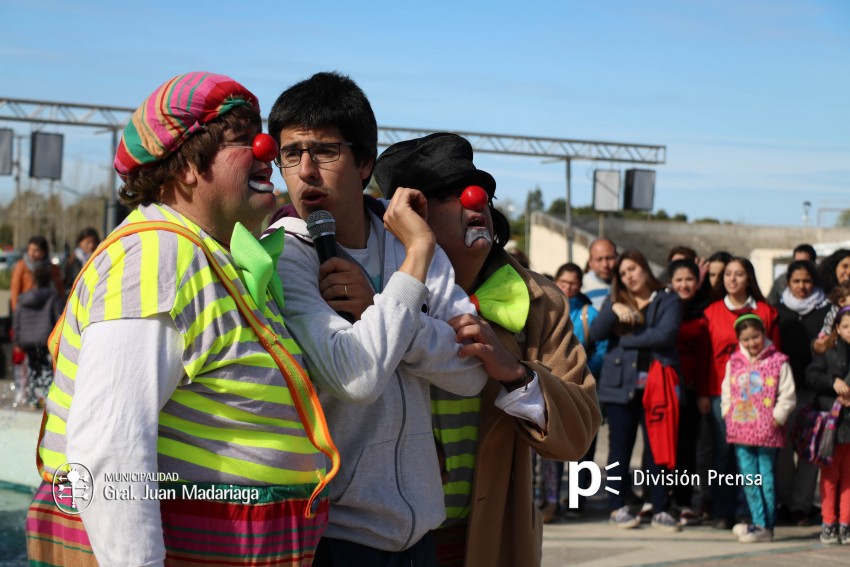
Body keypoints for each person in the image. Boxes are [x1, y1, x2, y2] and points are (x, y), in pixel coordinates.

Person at [26, 72, 339, 566]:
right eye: (243, 138)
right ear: (188, 166)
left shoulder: (206, 256)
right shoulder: (156, 257)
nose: (267, 151)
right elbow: (108, 446)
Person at [266, 75, 488, 566]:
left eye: (325, 151)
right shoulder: (285, 255)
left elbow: (472, 373)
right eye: (291, 154)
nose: (305, 172)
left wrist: (377, 307)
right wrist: (417, 260)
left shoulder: (404, 232)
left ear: (366, 162)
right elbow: (358, 377)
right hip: (334, 538)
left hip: (419, 536)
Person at [372, 132, 601, 566]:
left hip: (487, 542)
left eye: (479, 191)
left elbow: (579, 433)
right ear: (407, 217)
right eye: (448, 194)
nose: (474, 201)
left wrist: (516, 374)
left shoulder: (540, 302)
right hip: (380, 539)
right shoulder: (366, 289)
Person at [589, 249, 683, 532]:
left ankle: (660, 508)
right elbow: (596, 333)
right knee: (619, 450)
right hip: (620, 385)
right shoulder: (615, 300)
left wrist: (626, 340)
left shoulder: (668, 299)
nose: (628, 276)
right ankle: (616, 507)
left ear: (644, 267)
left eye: (632, 269)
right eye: (623, 273)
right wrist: (613, 310)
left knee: (658, 450)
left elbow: (665, 334)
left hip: (657, 387)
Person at [702, 256, 781, 529]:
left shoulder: (767, 312)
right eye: (728, 274)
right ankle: (722, 510)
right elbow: (705, 356)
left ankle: (751, 511)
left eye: (739, 274)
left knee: (755, 456)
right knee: (724, 452)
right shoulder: (711, 312)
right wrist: (703, 393)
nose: (732, 279)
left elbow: (776, 354)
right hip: (721, 393)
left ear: (749, 278)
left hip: (760, 396)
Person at [721, 314, 796, 543]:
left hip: (767, 430)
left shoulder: (778, 361)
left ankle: (766, 525)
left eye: (756, 337)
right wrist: (727, 411)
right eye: (746, 339)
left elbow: (787, 394)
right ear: (739, 340)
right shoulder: (734, 362)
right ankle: (757, 520)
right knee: (749, 479)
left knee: (765, 477)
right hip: (741, 429)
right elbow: (726, 390)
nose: (752, 342)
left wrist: (778, 416)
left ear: (764, 334)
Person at [774, 260, 830, 524]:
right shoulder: (778, 311)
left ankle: (801, 506)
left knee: (810, 450)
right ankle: (785, 501)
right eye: (796, 281)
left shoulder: (826, 312)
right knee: (783, 450)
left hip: (813, 392)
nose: (801, 286)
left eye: (806, 281)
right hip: (783, 391)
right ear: (788, 282)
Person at [553, 261, 607, 517]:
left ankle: (576, 501)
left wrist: (583, 371)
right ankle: (550, 499)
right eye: (563, 282)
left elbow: (602, 348)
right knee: (551, 446)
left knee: (582, 447)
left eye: (574, 284)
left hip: (582, 388)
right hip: (551, 386)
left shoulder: (588, 314)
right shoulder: (545, 307)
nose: (568, 288)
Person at [668, 258, 711, 525]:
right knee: (661, 446)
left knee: (687, 448)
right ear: (670, 282)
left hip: (694, 388)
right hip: (666, 388)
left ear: (698, 282)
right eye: (679, 280)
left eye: (689, 279)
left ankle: (683, 501)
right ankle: (658, 498)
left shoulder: (707, 310)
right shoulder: (662, 307)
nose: (684, 285)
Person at [805, 306, 850, 545]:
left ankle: (845, 523)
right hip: (832, 427)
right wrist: (832, 382)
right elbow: (811, 376)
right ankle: (829, 522)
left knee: (849, 477)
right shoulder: (828, 352)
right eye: (846, 326)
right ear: (837, 329)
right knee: (830, 476)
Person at [12, 266, 63, 407]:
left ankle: (33, 398)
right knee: (47, 369)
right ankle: (47, 397)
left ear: (33, 281)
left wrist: (17, 341)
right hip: (46, 339)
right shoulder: (53, 297)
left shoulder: (23, 299)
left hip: (27, 340)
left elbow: (16, 321)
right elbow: (59, 319)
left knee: (32, 368)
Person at [10, 235, 64, 311]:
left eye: (36, 250)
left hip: (48, 309)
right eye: (29, 249)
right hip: (28, 308)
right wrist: (16, 311)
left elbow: (59, 290)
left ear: (44, 252)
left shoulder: (53, 268)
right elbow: (15, 290)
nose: (31, 253)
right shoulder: (21, 266)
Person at [582, 238, 617, 310]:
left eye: (609, 258)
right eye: (599, 259)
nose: (605, 265)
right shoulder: (580, 286)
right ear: (590, 263)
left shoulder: (628, 282)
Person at [63, 227, 100, 293]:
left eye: (94, 242)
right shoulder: (73, 259)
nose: (91, 245)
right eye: (88, 242)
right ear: (80, 242)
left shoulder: (99, 259)